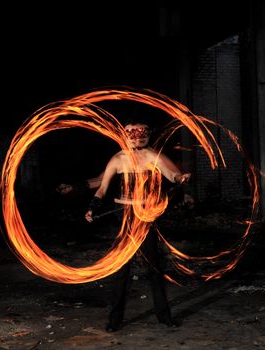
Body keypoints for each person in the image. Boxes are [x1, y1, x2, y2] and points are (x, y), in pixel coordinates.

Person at [84, 116, 191, 332]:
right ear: (124, 134)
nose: (137, 137)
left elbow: (171, 173)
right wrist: (92, 207)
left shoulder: (152, 156)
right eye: (132, 132)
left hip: (145, 217)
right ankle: (114, 321)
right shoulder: (117, 159)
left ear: (148, 134)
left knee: (154, 267)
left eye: (142, 133)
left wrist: (181, 179)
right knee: (122, 268)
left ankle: (164, 317)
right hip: (122, 217)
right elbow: (102, 188)